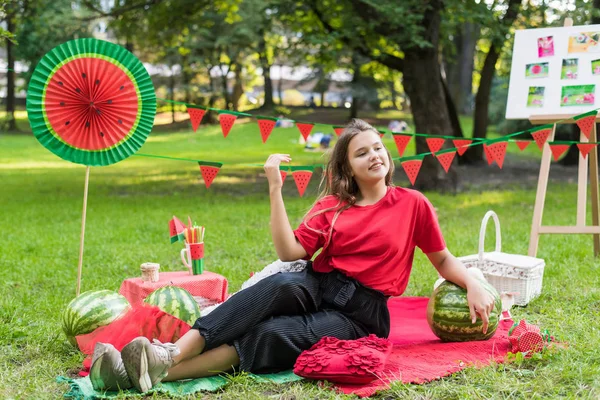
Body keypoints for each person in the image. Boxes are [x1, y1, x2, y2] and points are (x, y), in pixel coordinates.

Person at [89, 119, 496, 393]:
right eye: (362, 153)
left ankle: (146, 374)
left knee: (271, 334)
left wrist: (473, 280)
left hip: (361, 314)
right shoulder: (332, 205)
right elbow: (289, 252)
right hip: (318, 284)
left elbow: (442, 260)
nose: (374, 155)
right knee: (280, 283)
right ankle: (167, 354)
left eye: (378, 148)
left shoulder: (413, 204)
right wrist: (274, 189)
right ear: (348, 168)